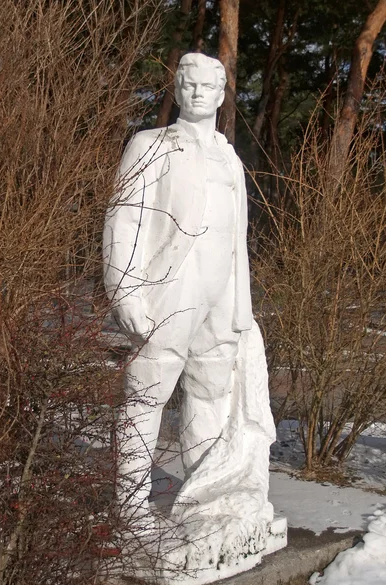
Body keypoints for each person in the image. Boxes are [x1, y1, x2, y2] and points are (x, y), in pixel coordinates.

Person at [103, 53, 253, 526]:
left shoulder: (230, 156)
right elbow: (124, 217)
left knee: (211, 393)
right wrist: (124, 290)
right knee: (147, 392)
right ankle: (130, 505)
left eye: (207, 88)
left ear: (222, 95)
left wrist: (239, 306)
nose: (196, 94)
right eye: (188, 86)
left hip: (221, 292)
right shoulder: (150, 144)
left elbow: (238, 238)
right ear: (177, 90)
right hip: (170, 285)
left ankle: (204, 494)